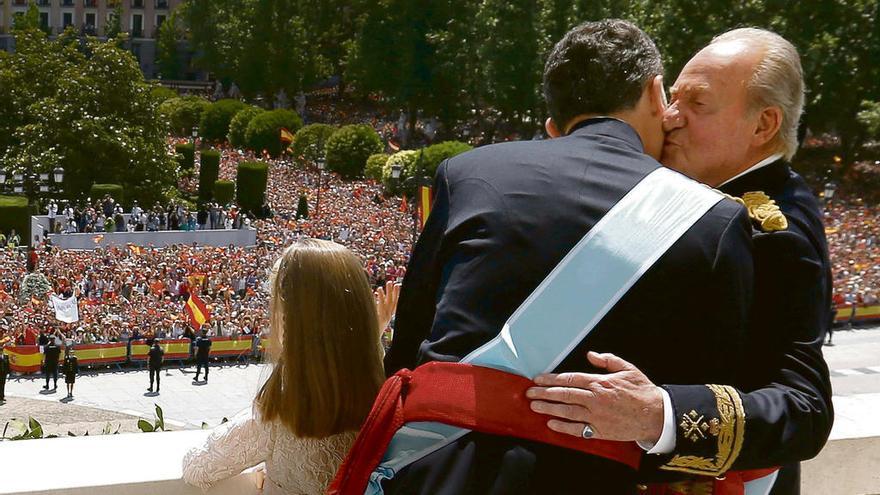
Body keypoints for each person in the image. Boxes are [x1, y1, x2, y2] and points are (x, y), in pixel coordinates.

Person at [376, 20, 755, 494]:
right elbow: (716, 396)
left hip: (440, 472)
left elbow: (409, 349)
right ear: (658, 93)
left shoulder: (466, 173)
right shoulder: (714, 219)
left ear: (553, 126)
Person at [526, 28, 833, 495]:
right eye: (672, 99)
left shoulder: (773, 234)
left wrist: (660, 415)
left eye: (698, 105)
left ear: (763, 125)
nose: (670, 118)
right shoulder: (693, 197)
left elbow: (803, 410)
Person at [182, 240, 397, 493]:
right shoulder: (388, 391)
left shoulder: (283, 411)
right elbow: (345, 363)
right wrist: (370, 337)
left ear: (289, 320)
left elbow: (196, 467)